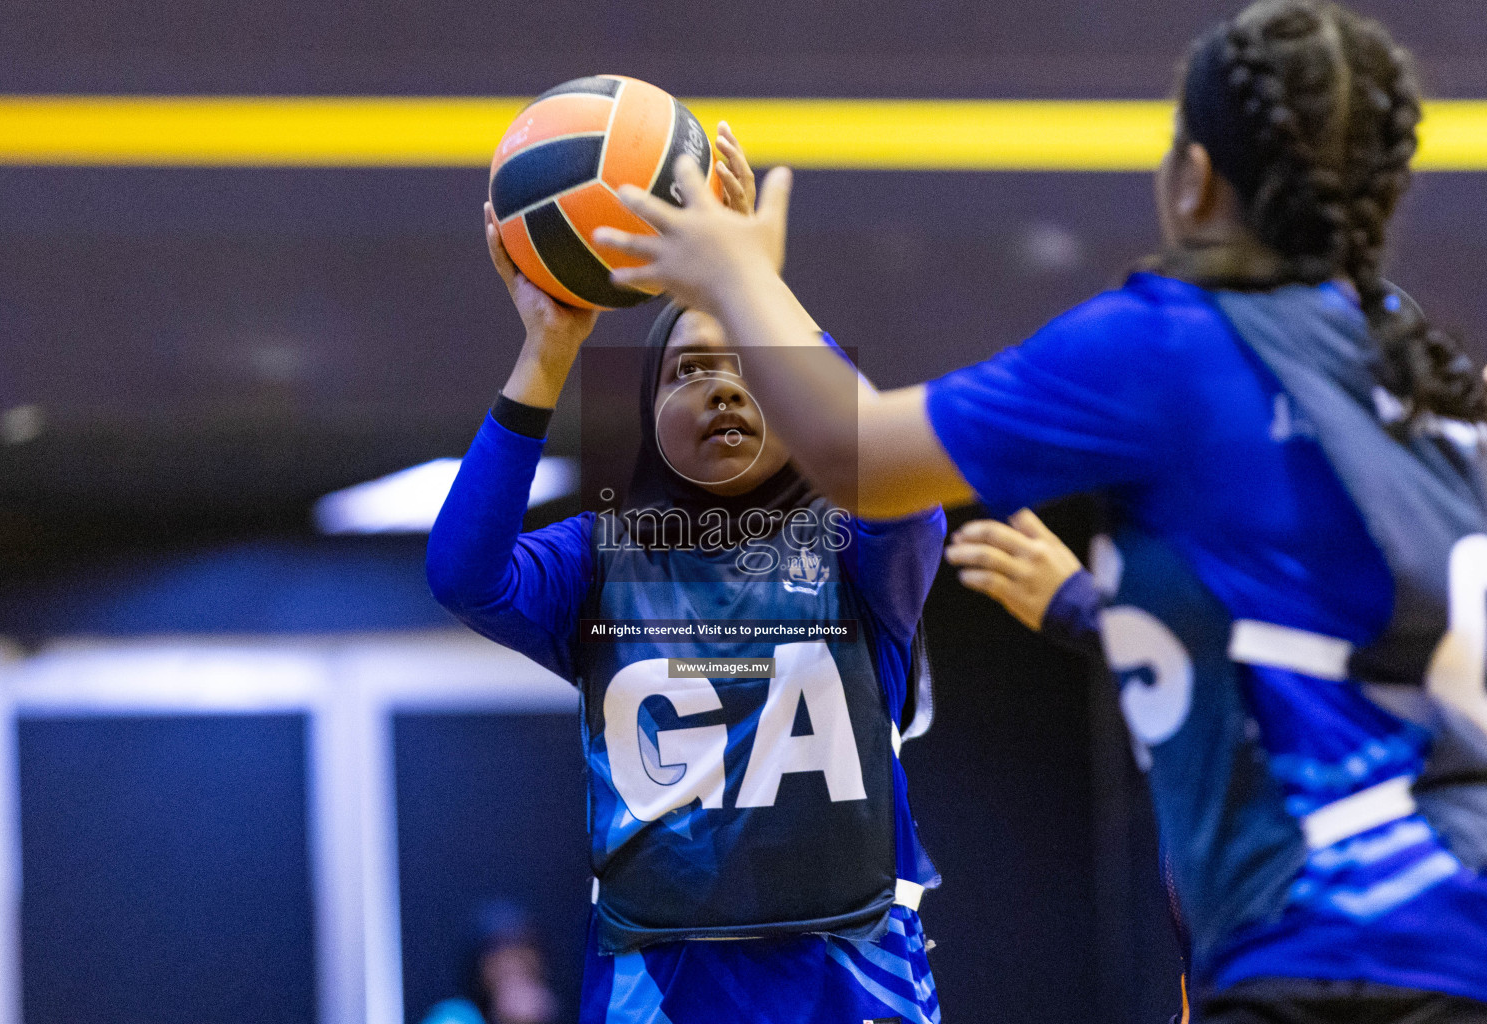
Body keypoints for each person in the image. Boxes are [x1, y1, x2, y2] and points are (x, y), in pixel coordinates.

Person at [591, 2, 1487, 1020]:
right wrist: (1092, 618)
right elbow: (1330, 648)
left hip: (1322, 958)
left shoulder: (1171, 343)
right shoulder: (1429, 372)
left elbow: (855, 458)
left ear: (1191, 178)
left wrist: (738, 278)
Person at [426, 126, 946, 1024]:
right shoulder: (597, 556)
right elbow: (464, 575)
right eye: (690, 371)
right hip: (659, 989)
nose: (723, 389)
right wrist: (548, 354)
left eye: (751, 371)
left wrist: (754, 286)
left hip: (851, 978)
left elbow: (901, 484)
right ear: (645, 418)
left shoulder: (856, 548)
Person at [420, 904, 559, 1024]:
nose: (512, 966)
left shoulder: (547, 1012)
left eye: (522, 957)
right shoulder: (453, 1017)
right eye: (500, 958)